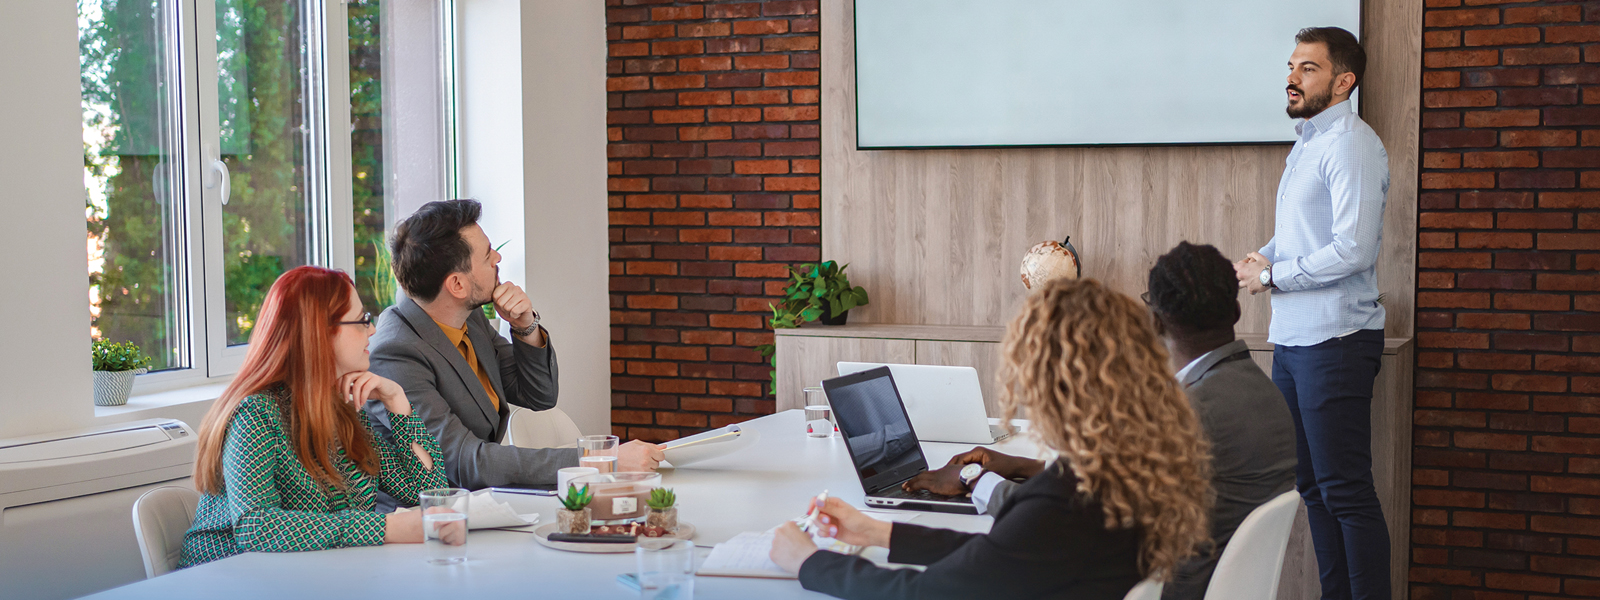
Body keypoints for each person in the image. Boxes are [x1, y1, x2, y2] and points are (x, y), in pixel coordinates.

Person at [770, 278, 1214, 599]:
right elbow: (1001, 556)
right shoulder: (1126, 468)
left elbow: (927, 593)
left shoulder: (1065, 499)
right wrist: (878, 531)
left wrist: (811, 562)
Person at [904, 242, 1297, 600]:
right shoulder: (1265, 395)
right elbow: (1118, 480)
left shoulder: (1189, 413)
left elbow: (1065, 517)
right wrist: (1025, 466)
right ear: (1236, 309)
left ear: (1155, 322)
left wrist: (974, 479)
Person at [1232, 26, 1391, 600]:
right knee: (1313, 488)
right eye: (1292, 66)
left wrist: (1273, 275)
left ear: (1343, 81)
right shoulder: (1308, 142)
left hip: (1338, 339)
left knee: (1345, 490)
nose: (1291, 78)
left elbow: (1353, 248)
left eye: (1308, 68)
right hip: (1295, 340)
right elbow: (1301, 233)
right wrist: (1264, 257)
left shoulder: (1351, 143)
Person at [367, 199, 661, 504]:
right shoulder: (396, 354)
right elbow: (463, 462)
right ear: (457, 285)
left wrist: (525, 326)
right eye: (487, 255)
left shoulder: (469, 318)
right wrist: (598, 461)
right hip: (421, 522)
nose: (498, 257)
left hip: (477, 505)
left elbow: (539, 396)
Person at [180, 267, 457, 568]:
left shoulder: (345, 412)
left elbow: (428, 493)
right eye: (362, 320)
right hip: (225, 582)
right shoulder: (256, 415)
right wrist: (385, 528)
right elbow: (256, 525)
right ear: (319, 333)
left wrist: (398, 402)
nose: (373, 330)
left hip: (313, 577)